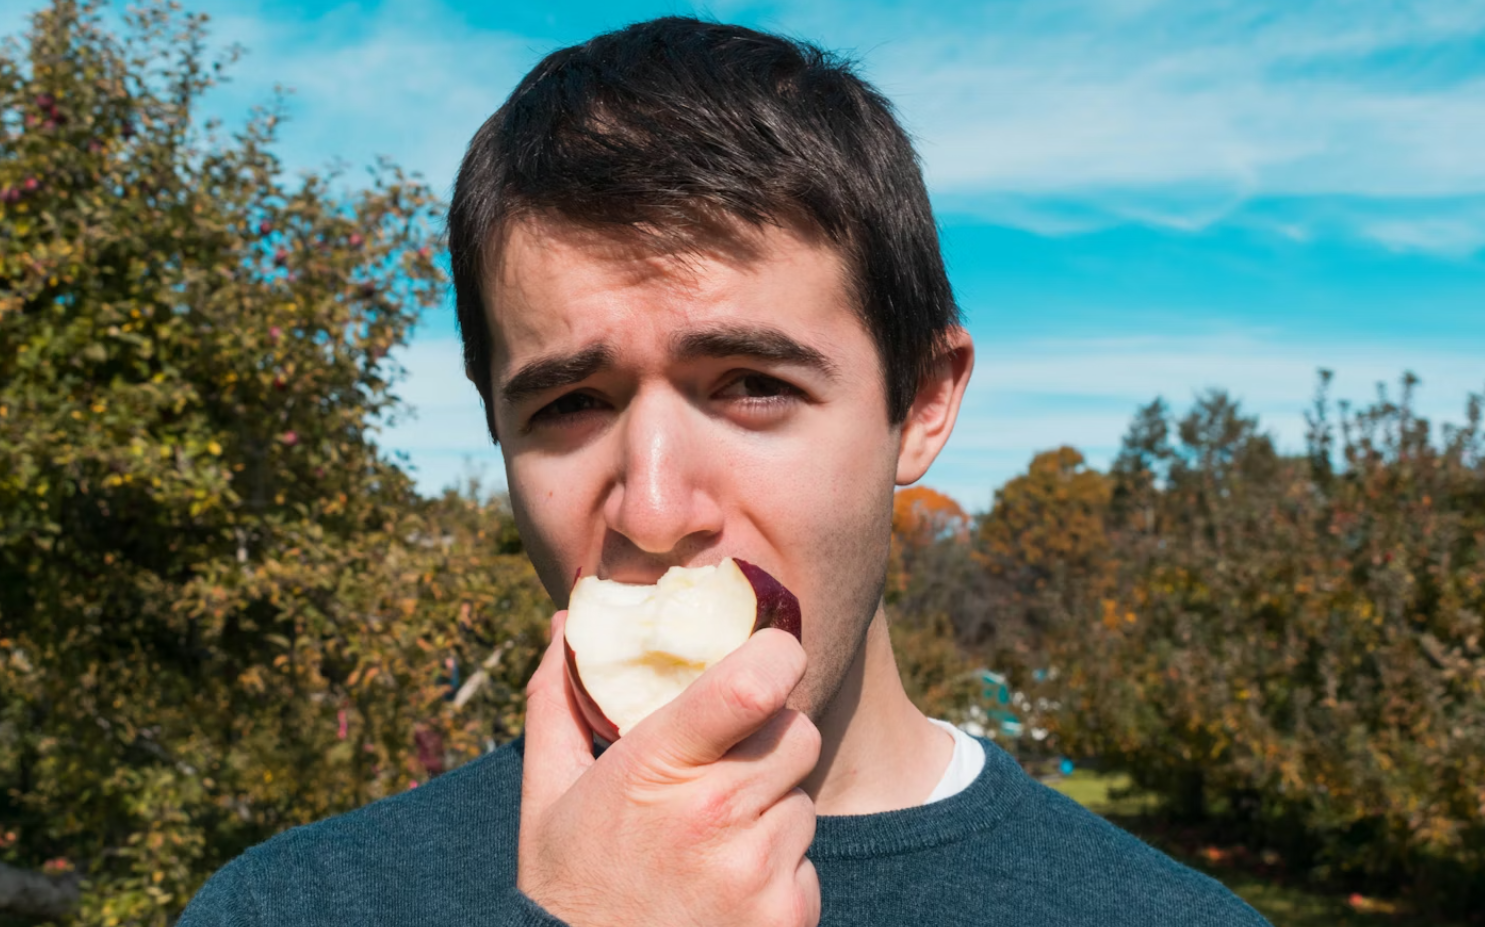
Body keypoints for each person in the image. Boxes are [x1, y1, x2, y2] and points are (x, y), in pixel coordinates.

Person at [181, 17, 1269, 927]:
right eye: (569, 404)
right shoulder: (288, 910)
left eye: (752, 386)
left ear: (922, 403)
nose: (655, 512)